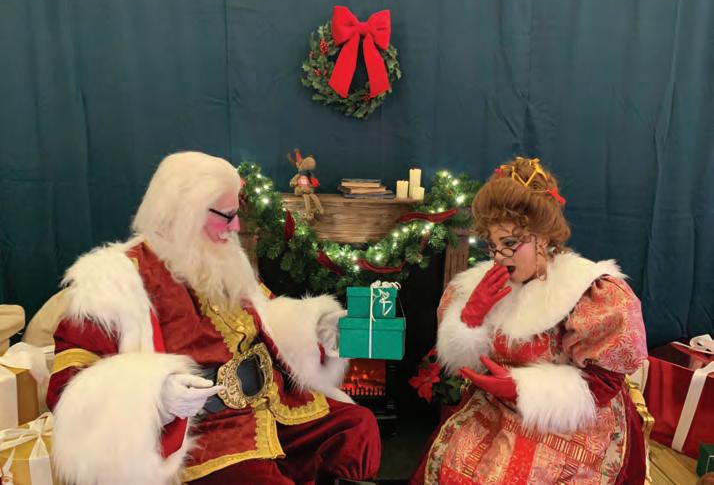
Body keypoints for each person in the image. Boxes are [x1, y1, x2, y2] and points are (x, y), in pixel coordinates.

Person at [47, 151, 381, 485]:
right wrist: (157, 396)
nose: (235, 227)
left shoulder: (221, 258)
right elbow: (69, 386)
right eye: (227, 216)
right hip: (205, 433)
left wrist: (315, 328)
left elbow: (266, 316)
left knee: (356, 426)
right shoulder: (114, 281)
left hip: (272, 406)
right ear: (184, 212)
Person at [413, 157, 648, 484]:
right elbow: (465, 362)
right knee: (457, 461)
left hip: (569, 418)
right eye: (492, 245)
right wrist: (471, 317)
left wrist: (524, 389)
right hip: (495, 409)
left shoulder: (586, 291)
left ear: (543, 238)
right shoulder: (480, 285)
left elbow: (604, 384)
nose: (499, 257)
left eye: (510, 243)